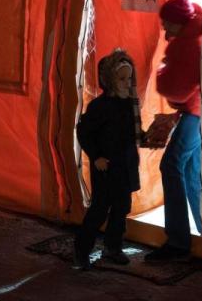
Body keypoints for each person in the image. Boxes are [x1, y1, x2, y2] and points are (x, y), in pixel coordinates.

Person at [144, 0, 202, 262]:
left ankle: (178, 241)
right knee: (190, 172)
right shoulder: (196, 35)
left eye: (168, 23)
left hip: (192, 113)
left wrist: (162, 73)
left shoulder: (187, 44)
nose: (165, 28)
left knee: (171, 166)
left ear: (179, 22)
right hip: (199, 112)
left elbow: (177, 90)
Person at [73, 48, 145, 270]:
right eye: (121, 79)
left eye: (129, 78)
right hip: (106, 168)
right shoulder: (99, 106)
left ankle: (113, 247)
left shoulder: (131, 104)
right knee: (99, 210)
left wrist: (151, 136)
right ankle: (81, 251)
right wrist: (96, 156)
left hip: (125, 165)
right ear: (110, 80)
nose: (126, 83)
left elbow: (133, 134)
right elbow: (83, 132)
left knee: (122, 207)